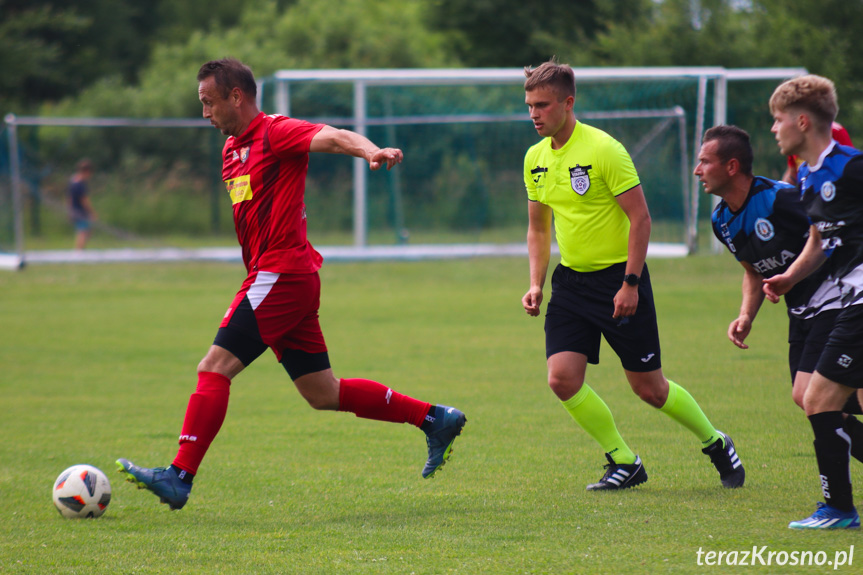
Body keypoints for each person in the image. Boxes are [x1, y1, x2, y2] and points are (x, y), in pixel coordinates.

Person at [116, 58, 467, 510]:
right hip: (286, 278)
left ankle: (178, 475)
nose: (204, 113)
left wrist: (370, 151)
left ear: (236, 97)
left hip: (280, 274)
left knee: (213, 368)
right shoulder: (229, 150)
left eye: (209, 102)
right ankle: (435, 418)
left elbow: (335, 137)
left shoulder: (275, 131)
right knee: (322, 392)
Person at [521, 58, 744, 491]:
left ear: (568, 103)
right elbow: (538, 228)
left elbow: (640, 219)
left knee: (650, 390)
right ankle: (624, 460)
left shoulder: (604, 149)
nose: (534, 114)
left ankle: (715, 442)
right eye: (530, 105)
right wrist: (535, 282)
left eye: (543, 105)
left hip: (618, 282)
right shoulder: (534, 159)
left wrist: (630, 283)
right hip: (571, 283)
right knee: (561, 379)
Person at [696, 124, 863, 460]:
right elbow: (752, 272)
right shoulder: (721, 221)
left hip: (836, 299)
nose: (698, 170)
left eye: (705, 161)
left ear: (732, 167)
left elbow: (833, 232)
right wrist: (746, 315)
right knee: (806, 398)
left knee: (815, 396)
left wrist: (795, 274)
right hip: (800, 310)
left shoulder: (781, 198)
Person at [763, 74, 863, 529]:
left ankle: (839, 510)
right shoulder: (806, 175)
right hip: (849, 298)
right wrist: (789, 276)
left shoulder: (852, 168)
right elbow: (821, 240)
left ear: (802, 121)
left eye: (778, 119)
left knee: (818, 397)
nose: (773, 128)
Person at [782, 121, 852, 185]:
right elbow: (793, 171)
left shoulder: (833, 130)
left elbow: (850, 164)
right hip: (810, 194)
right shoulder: (794, 135)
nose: (774, 128)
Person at [67, 159, 96, 250]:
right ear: (86, 171)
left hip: (75, 210)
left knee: (86, 231)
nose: (90, 175)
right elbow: (84, 200)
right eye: (90, 173)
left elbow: (69, 197)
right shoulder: (80, 184)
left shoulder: (73, 180)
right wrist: (92, 212)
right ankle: (78, 252)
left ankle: (80, 250)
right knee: (83, 232)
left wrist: (69, 210)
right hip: (81, 212)